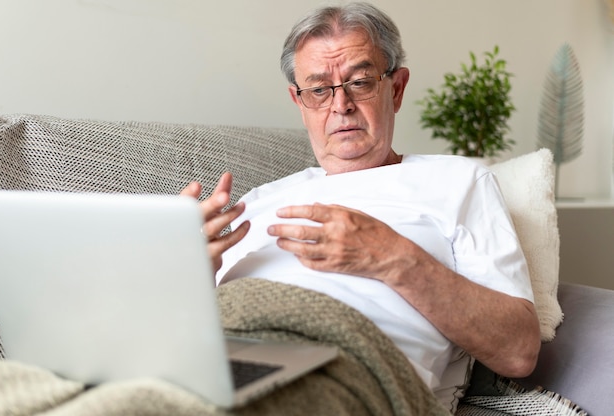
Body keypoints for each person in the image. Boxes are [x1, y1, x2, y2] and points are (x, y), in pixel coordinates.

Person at [181, 2, 540, 412]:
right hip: (219, 353)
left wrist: (390, 257)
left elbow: (518, 350)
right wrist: (190, 277)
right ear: (299, 102)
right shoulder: (259, 200)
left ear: (397, 88)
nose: (341, 105)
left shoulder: (459, 182)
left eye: (361, 82)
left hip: (349, 368)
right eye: (318, 90)